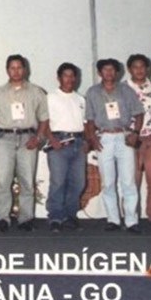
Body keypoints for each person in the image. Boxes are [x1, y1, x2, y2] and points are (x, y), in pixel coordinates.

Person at [0, 54, 49, 233]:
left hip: (28, 138)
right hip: (6, 139)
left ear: (25, 69)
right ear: (7, 70)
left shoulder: (36, 92)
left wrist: (38, 138)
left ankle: (26, 218)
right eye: (12, 68)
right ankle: (2, 218)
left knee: (27, 180)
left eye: (19, 67)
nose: (16, 71)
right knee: (3, 180)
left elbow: (44, 119)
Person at [85, 58, 144, 234]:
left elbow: (139, 113)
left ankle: (132, 221)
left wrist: (135, 133)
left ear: (117, 72)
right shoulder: (92, 92)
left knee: (128, 181)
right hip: (104, 138)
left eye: (112, 70)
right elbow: (89, 119)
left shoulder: (126, 90)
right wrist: (92, 139)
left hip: (124, 137)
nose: (109, 73)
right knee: (108, 182)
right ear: (99, 73)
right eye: (105, 70)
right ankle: (113, 219)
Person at [45, 63, 88, 233]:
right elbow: (43, 122)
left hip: (78, 143)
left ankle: (70, 215)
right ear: (59, 78)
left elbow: (85, 124)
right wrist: (51, 139)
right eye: (65, 75)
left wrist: (86, 141)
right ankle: (55, 216)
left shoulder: (81, 99)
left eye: (72, 76)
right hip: (59, 143)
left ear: (76, 78)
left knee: (78, 183)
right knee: (58, 182)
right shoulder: (50, 97)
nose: (69, 79)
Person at [126, 54, 151, 229]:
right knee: (132, 179)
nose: (139, 70)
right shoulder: (122, 89)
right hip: (131, 137)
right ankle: (131, 217)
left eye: (143, 66)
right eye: (135, 67)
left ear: (148, 69)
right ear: (129, 69)